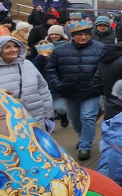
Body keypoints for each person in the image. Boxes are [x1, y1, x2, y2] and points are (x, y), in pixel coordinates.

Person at [44, 16, 104, 161]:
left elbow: (104, 69)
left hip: (91, 91)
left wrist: (99, 84)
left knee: (88, 117)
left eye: (86, 34)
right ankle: (83, 137)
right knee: (75, 119)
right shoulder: (60, 50)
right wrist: (58, 85)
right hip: (69, 91)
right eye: (79, 34)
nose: (83, 37)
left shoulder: (100, 48)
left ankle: (85, 146)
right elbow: (51, 70)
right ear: (73, 36)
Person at [0, 37, 53, 128]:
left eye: (15, 46)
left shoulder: (27, 64)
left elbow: (42, 89)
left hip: (36, 117)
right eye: (7, 47)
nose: (13, 50)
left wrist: (48, 113)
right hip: (7, 122)